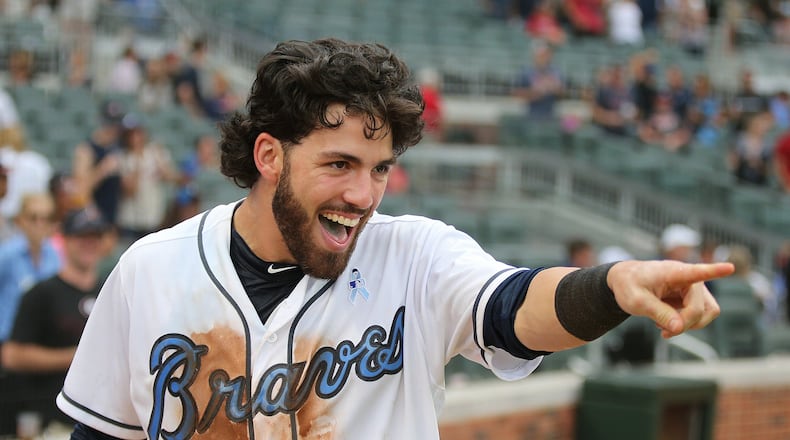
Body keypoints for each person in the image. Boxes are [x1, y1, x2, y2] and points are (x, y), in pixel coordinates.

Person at [58, 39, 733, 440]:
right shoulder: (150, 270)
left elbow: (513, 308)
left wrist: (612, 287)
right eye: (339, 164)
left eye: (380, 169)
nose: (364, 195)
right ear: (269, 156)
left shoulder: (415, 255)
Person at [2, 206, 110, 431]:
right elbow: (12, 355)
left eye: (95, 237)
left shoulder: (111, 291)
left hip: (100, 420)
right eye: (82, 237)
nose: (89, 244)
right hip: (50, 416)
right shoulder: (42, 293)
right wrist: (75, 356)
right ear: (66, 240)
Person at [0, 193, 60, 344]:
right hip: (8, 338)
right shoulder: (7, 255)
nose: (40, 224)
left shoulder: (54, 254)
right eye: (33, 218)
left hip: (41, 340)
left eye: (46, 218)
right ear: (20, 221)